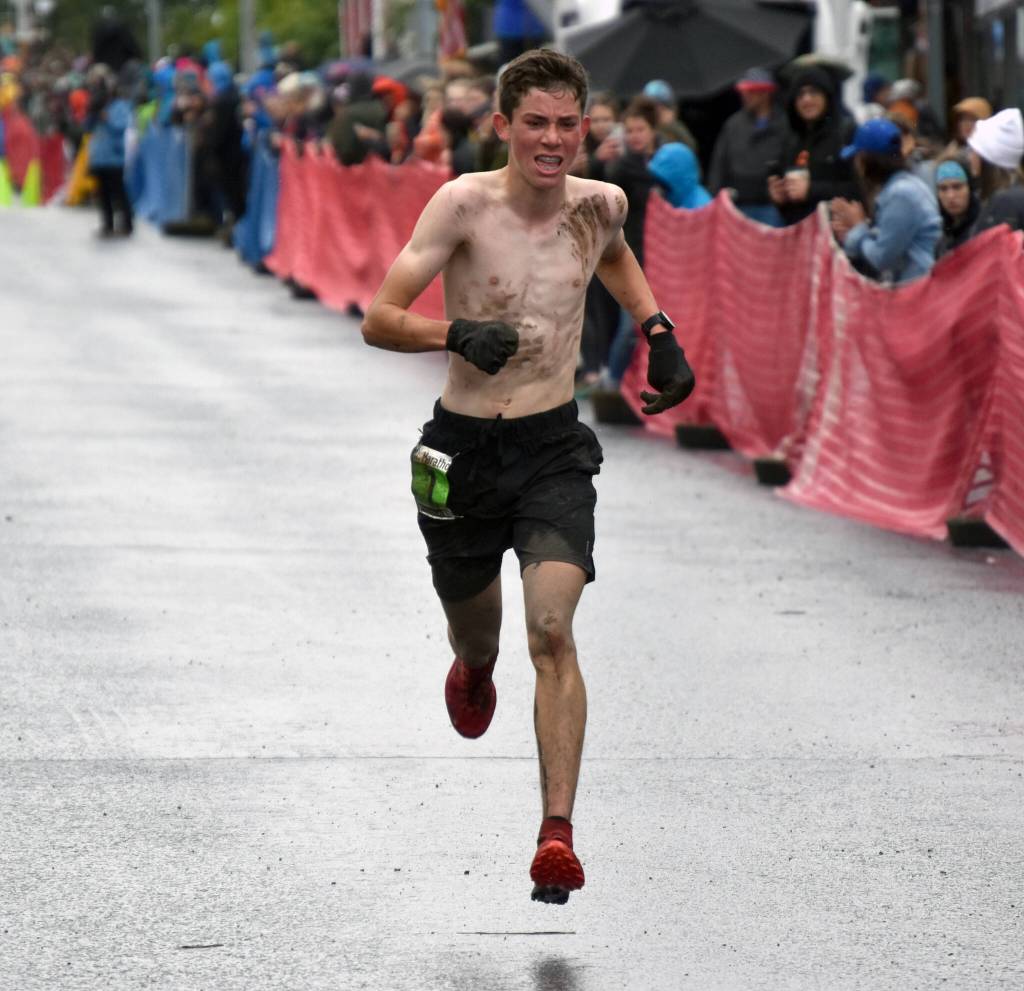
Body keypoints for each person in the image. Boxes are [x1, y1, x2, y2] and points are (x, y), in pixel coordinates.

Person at [361, 49, 694, 905]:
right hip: (464, 451)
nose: (553, 141)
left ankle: (557, 834)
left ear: (585, 126)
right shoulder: (463, 204)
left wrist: (657, 327)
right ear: (503, 125)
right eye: (535, 123)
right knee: (481, 635)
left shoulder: (601, 202)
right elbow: (378, 318)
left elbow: (613, 254)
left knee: (551, 629)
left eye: (568, 124)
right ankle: (473, 668)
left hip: (552, 449)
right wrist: (454, 334)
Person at [830, 118, 941, 284]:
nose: (856, 164)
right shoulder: (896, 188)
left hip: (916, 292)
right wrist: (854, 233)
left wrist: (858, 227)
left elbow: (881, 258)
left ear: (868, 159)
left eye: (858, 157)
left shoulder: (901, 194)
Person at [770, 66, 858, 226]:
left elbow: (857, 189)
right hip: (797, 235)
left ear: (826, 96)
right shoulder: (790, 139)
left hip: (834, 235)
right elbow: (789, 197)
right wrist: (780, 197)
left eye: (814, 92)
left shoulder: (846, 133)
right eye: (800, 94)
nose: (807, 99)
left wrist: (811, 190)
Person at [707, 67, 787, 226]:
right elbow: (719, 165)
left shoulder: (785, 125)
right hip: (737, 206)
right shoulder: (733, 125)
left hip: (771, 208)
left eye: (751, 91)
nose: (745, 96)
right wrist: (715, 197)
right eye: (744, 91)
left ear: (766, 93)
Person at [85, 65, 134, 238]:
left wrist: (108, 118)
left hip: (114, 156)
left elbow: (121, 126)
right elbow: (87, 128)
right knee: (103, 193)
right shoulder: (97, 105)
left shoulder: (121, 106)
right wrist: (93, 114)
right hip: (99, 156)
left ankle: (127, 224)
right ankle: (107, 224)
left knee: (118, 191)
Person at [966, 107, 1024, 237]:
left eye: (973, 150)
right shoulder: (1008, 196)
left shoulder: (1004, 203)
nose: (970, 157)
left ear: (986, 157)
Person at [933, 157, 980, 258]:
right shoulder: (942, 244)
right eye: (943, 188)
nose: (950, 196)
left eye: (957, 187)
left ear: (970, 189)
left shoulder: (984, 230)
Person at [642, 79, 698, 152]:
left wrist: (671, 124)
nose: (657, 111)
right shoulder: (640, 125)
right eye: (651, 107)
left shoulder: (672, 126)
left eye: (662, 107)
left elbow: (691, 147)